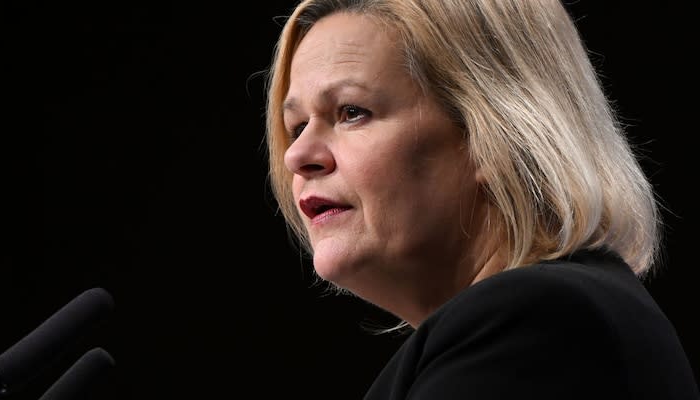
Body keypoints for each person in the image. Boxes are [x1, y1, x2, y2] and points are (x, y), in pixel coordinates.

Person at [261, 0, 699, 398]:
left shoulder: (538, 323)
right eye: (297, 126)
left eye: (351, 112)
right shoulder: (526, 326)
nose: (297, 156)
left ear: (496, 135)